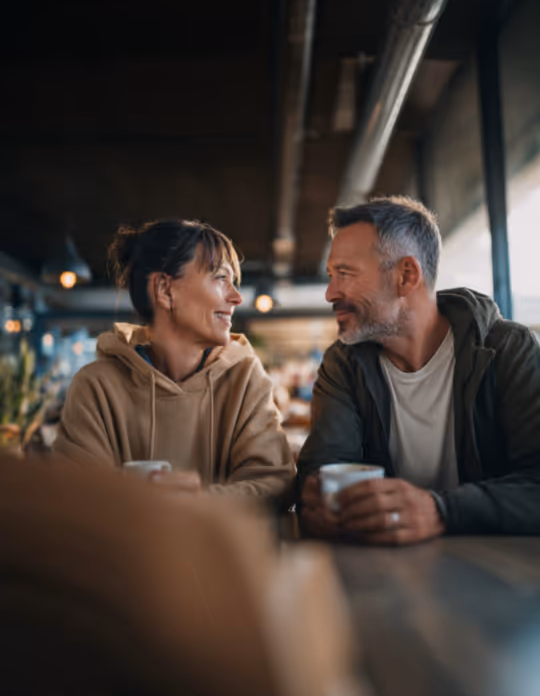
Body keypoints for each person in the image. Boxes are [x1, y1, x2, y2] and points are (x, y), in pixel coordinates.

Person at [297, 195, 540, 543]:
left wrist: (441, 511)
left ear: (406, 276)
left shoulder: (507, 350)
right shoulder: (343, 364)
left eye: (345, 274)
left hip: (504, 577)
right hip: (384, 577)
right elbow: (323, 467)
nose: (330, 292)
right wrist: (315, 498)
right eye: (331, 275)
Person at [54, 219, 295, 500]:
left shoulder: (245, 378)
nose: (237, 297)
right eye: (220, 278)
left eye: (234, 281)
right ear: (166, 291)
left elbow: (274, 485)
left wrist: (192, 503)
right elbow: (74, 498)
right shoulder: (95, 387)